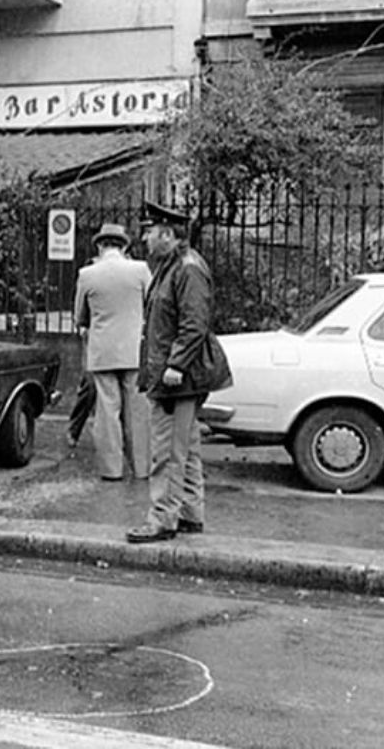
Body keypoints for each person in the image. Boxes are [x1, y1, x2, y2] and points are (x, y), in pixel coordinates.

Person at [127, 201, 231, 543]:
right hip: (174, 374)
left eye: (150, 232)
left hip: (177, 379)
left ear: (168, 235)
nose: (144, 238)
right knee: (185, 448)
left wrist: (175, 365)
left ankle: (162, 519)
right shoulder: (175, 265)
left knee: (167, 451)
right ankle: (189, 514)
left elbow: (194, 324)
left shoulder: (185, 269)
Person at [73, 222, 151, 481]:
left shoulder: (87, 274)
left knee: (108, 411)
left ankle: (111, 470)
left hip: (102, 351)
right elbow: (152, 306)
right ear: (125, 246)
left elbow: (79, 317)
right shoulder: (140, 270)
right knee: (136, 410)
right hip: (133, 350)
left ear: (99, 245)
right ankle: (141, 467)